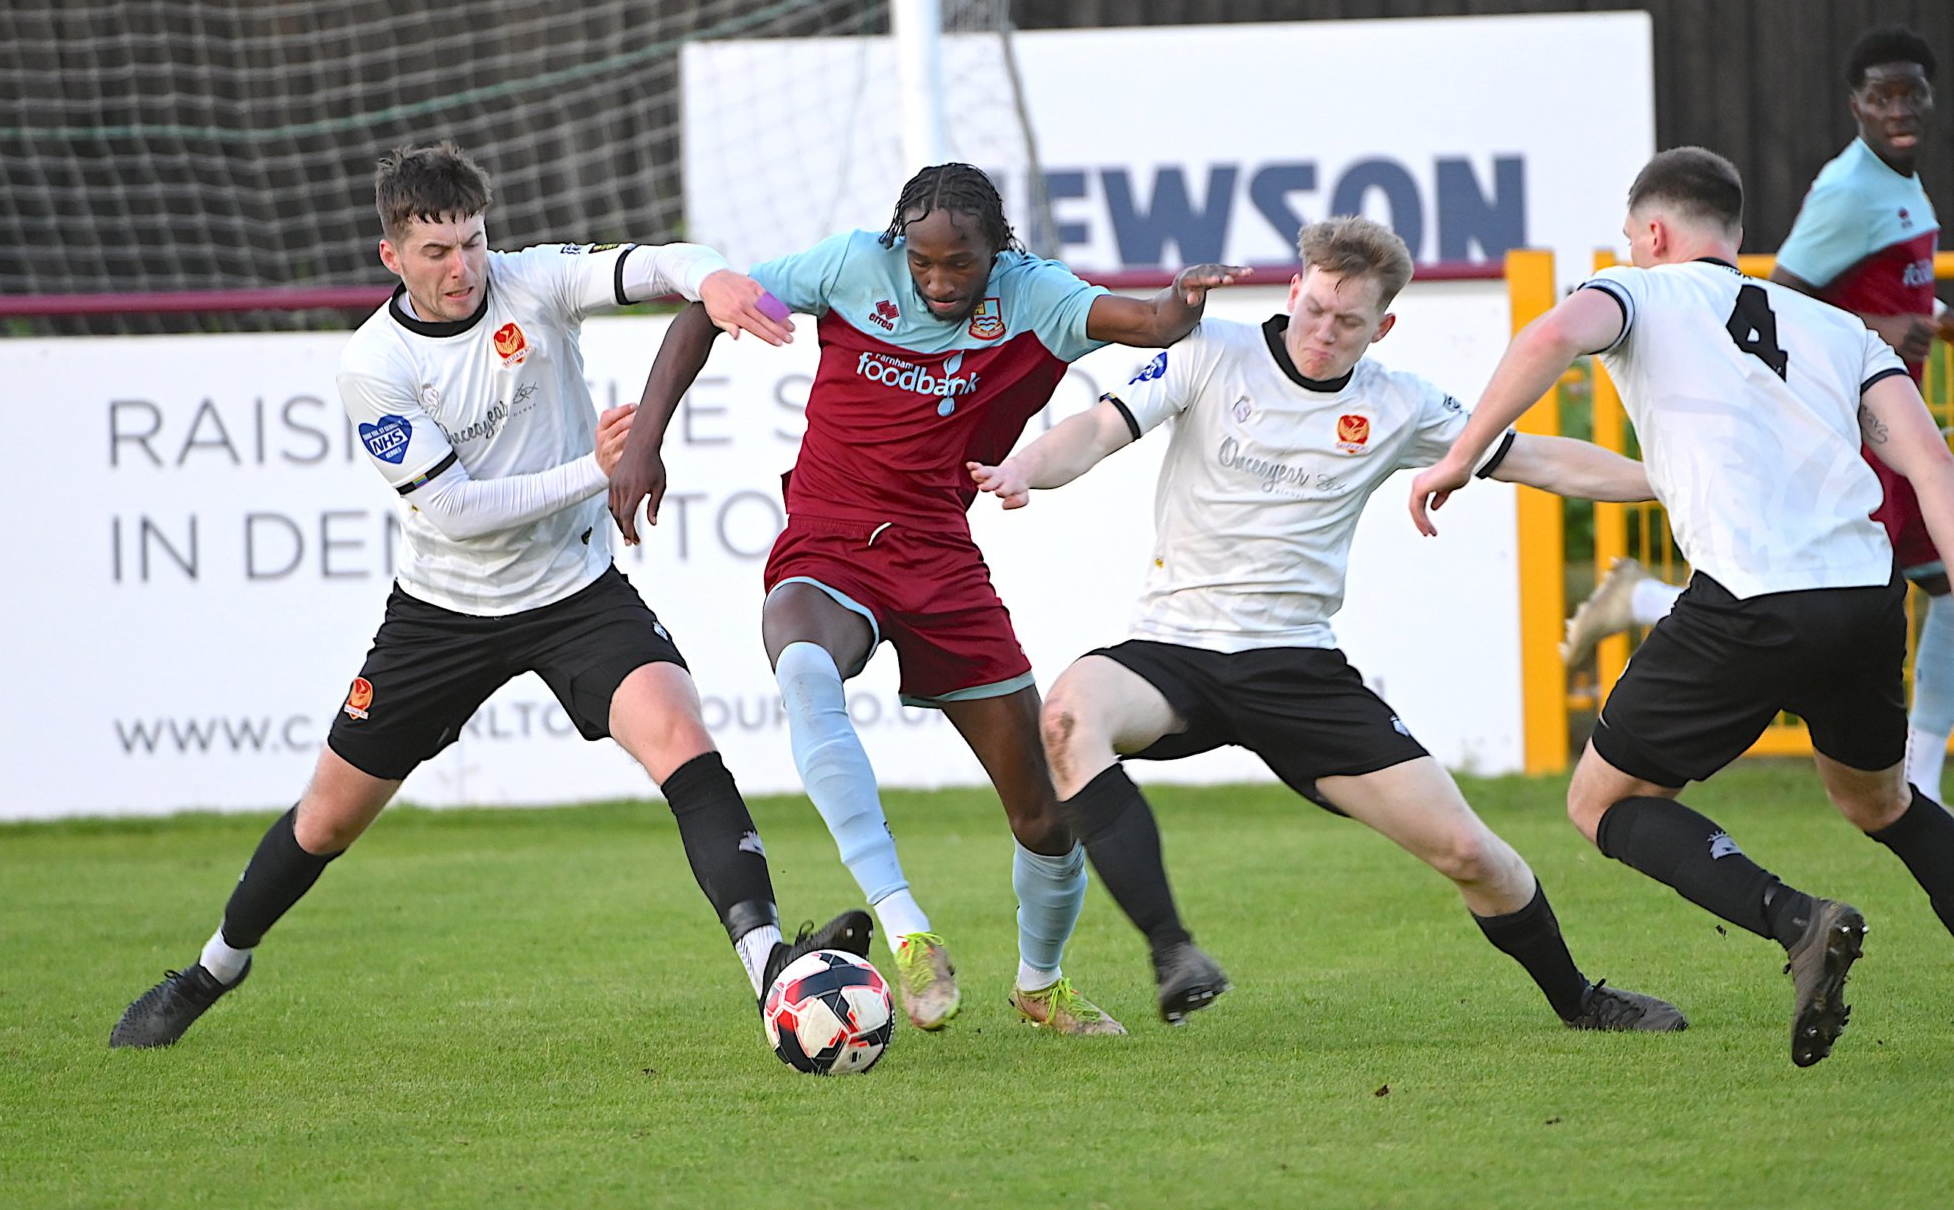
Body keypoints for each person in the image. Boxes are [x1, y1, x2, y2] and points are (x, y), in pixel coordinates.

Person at [110, 142, 868, 1050]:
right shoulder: (374, 366)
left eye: (471, 241)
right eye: (436, 252)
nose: (462, 267)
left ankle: (769, 965)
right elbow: (458, 512)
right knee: (328, 818)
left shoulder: (532, 281)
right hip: (444, 612)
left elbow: (656, 262)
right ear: (391, 255)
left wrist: (711, 282)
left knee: (681, 735)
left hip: (576, 592)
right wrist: (596, 469)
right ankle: (212, 969)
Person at [968, 215, 1683, 1033]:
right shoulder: (1212, 350)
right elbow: (1096, 429)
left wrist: (1678, 480)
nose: (1323, 332)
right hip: (1173, 649)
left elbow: (1543, 459)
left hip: (1297, 668)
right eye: (1314, 309)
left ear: (1383, 325)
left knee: (1470, 853)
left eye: (1348, 323)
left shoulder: (1400, 403)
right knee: (1066, 717)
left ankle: (1580, 1000)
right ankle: (1174, 952)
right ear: (1295, 289)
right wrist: (1026, 466)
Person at [610, 162, 1239, 1036]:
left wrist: (1183, 298)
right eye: (923, 262)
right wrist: (645, 442)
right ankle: (907, 929)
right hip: (828, 537)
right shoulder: (848, 266)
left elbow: (1152, 322)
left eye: (961, 264)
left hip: (940, 559)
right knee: (802, 668)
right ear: (896, 241)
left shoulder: (1035, 295)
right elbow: (702, 311)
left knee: (1045, 814)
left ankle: (1039, 983)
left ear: (998, 250)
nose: (939, 282)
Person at [1411, 147, 1954, 1067]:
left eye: (1632, 237)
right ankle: (1812, 918)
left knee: (1601, 803)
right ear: (1736, 236)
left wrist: (1460, 456)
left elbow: (1547, 337)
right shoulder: (1837, 328)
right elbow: (1930, 465)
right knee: (1880, 800)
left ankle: (1798, 920)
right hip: (1865, 599)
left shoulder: (1636, 292)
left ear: (1652, 234)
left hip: (1748, 598)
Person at [1562, 28, 1946, 807]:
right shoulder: (1851, 188)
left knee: (1819, 595)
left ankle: (1642, 598)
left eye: (1912, 93)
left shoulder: (1900, 181)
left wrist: (1928, 314)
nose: (1898, 109)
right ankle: (1923, 777)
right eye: (1883, 96)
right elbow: (1784, 302)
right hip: (1850, 418)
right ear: (1856, 105)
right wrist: (1884, 330)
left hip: (1875, 411)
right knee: (1908, 588)